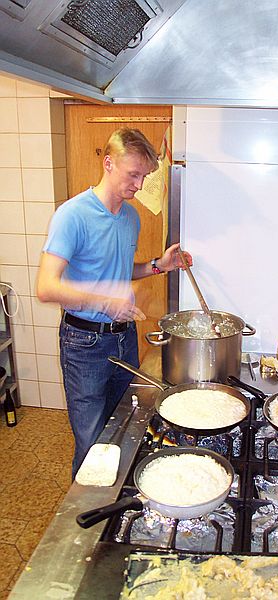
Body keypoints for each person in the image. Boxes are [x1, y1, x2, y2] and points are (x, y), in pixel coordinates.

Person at [37, 128, 192, 479]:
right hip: (85, 343)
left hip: (123, 338)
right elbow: (46, 287)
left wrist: (158, 266)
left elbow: (121, 272)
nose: (138, 185)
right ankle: (84, 520)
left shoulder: (130, 218)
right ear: (108, 163)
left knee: (125, 429)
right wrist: (105, 302)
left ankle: (114, 512)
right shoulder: (72, 215)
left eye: (144, 176)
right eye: (132, 174)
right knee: (93, 442)